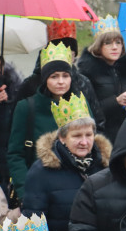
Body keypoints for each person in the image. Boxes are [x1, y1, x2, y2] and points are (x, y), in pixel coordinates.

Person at [21, 94, 111, 231]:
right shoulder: (42, 172)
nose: (84, 142)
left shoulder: (105, 168)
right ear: (62, 137)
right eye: (77, 136)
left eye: (88, 135)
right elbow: (32, 225)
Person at [8, 42, 102, 198]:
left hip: (77, 188)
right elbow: (15, 154)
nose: (61, 81)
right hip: (38, 186)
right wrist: (26, 191)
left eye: (65, 76)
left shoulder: (80, 103)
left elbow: (93, 146)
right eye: (54, 76)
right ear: (45, 79)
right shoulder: (26, 107)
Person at [18, 21, 102, 132]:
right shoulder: (30, 84)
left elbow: (98, 121)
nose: (61, 81)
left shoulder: (83, 82)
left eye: (69, 54)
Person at [75, 15, 126, 143]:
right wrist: (115, 102)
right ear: (98, 46)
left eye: (118, 42)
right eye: (108, 43)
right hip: (102, 137)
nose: (114, 47)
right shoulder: (86, 73)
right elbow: (86, 110)